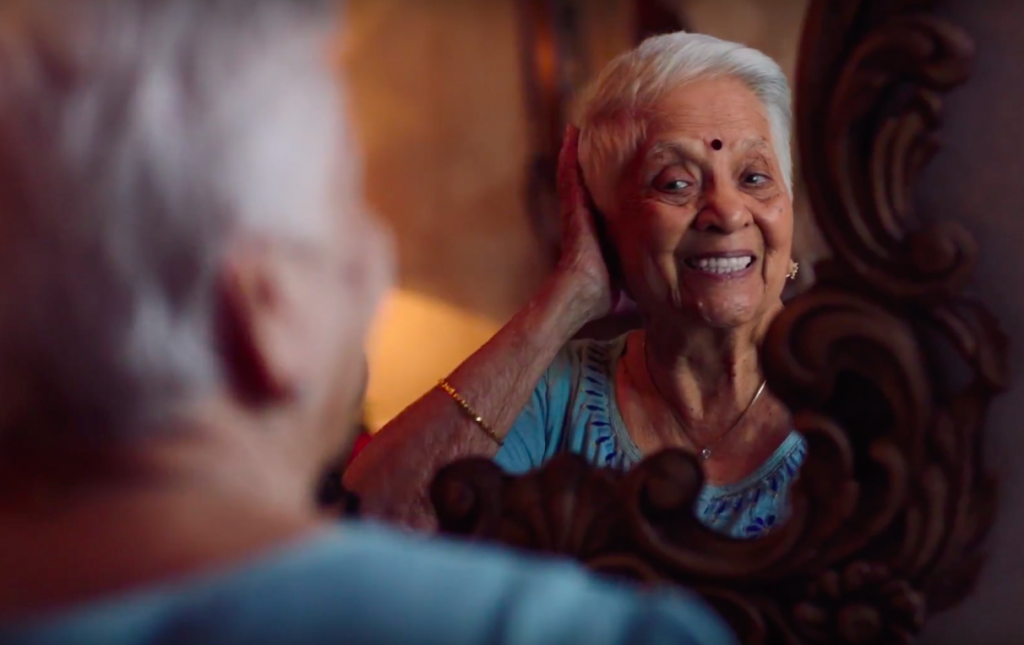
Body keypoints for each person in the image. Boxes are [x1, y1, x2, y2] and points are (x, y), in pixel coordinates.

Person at [0, 2, 739, 644]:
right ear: (269, 310)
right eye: (350, 205)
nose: (380, 259)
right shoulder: (579, 632)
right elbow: (384, 514)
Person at [347, 32, 806, 538]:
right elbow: (370, 527)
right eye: (676, 182)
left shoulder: (869, 383)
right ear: (608, 228)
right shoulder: (558, 396)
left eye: (755, 177)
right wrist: (569, 294)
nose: (727, 211)